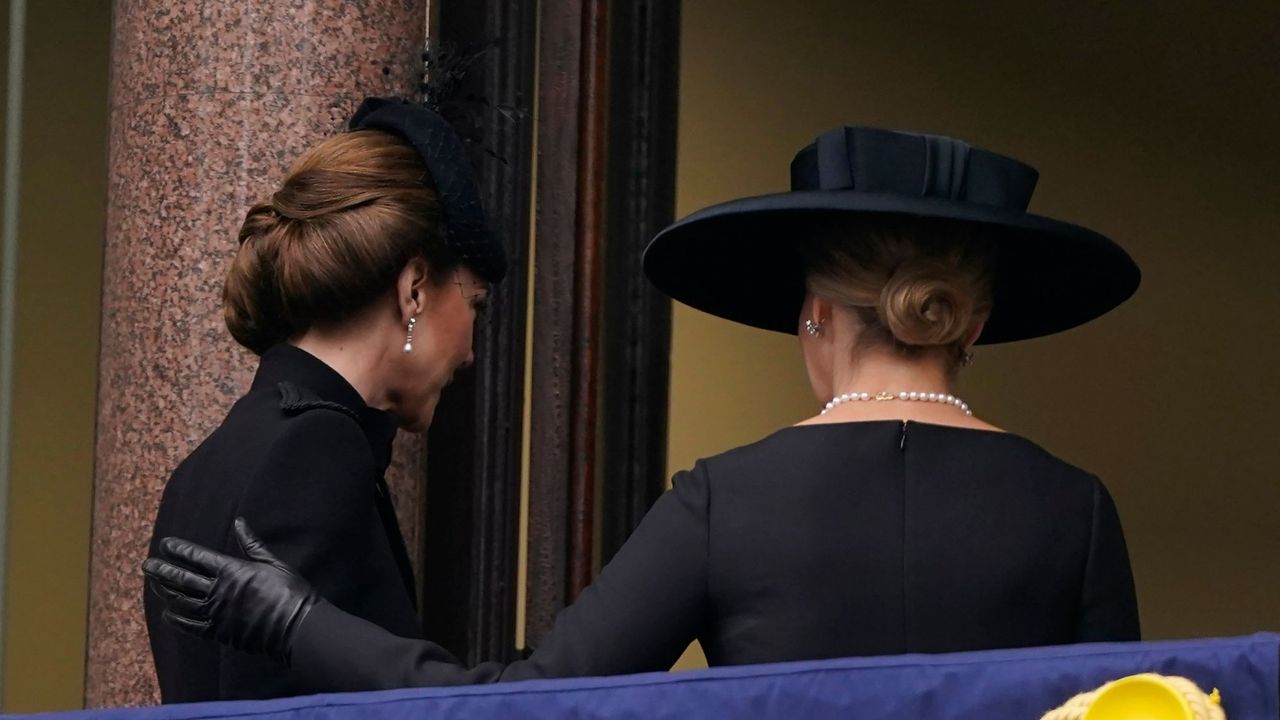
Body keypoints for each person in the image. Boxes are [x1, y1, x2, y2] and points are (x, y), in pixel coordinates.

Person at [144, 125, 1142, 693]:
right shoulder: (1076, 510)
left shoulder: (726, 502)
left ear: (810, 317)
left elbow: (530, 714)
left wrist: (304, 622)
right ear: (967, 328)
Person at [142, 97, 504, 702]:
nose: (470, 351)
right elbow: (275, 703)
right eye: (475, 304)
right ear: (414, 289)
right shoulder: (317, 446)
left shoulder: (220, 454)